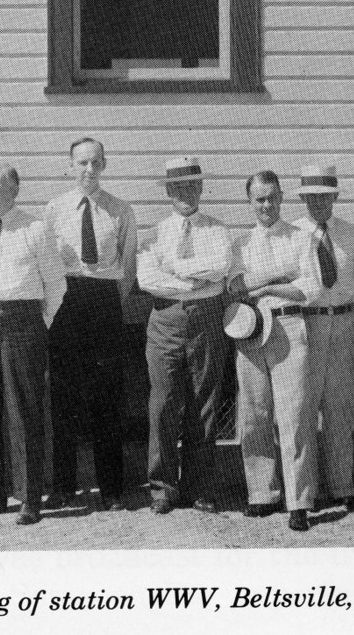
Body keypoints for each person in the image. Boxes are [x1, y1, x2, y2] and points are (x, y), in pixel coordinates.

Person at [0, 165, 65, 526]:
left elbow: (56, 285)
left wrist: (38, 323)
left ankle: (29, 498)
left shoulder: (35, 229)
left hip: (23, 321)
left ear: (15, 191)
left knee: (24, 409)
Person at [41, 137, 136, 512]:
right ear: (70, 166)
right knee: (63, 397)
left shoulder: (120, 210)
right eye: (82, 162)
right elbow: (47, 263)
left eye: (96, 162)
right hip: (65, 302)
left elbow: (128, 267)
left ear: (105, 165)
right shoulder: (55, 209)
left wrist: (109, 303)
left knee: (107, 397)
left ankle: (111, 488)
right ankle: (64, 485)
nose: (89, 169)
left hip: (104, 301)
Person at [136, 156, 232, 515]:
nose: (185, 193)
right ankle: (162, 488)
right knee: (162, 404)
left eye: (192, 185)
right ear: (167, 191)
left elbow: (220, 267)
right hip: (165, 320)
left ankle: (199, 487)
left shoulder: (217, 231)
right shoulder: (155, 233)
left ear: (201, 187)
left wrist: (175, 268)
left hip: (206, 319)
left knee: (204, 403)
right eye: (178, 187)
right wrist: (193, 282)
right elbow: (148, 279)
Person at [227, 170, 321, 532]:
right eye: (259, 199)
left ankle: (299, 502)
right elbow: (237, 287)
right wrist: (278, 277)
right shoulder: (240, 244)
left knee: (294, 414)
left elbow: (309, 288)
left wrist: (265, 286)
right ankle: (262, 494)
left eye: (272, 197)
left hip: (288, 326)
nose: (266, 205)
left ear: (281, 197)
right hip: (250, 328)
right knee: (254, 413)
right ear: (249, 202)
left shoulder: (301, 238)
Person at [292, 164, 354, 514]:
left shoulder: (350, 234)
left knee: (340, 409)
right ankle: (305, 494)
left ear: (335, 196)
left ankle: (342, 487)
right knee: (304, 410)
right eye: (311, 196)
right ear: (303, 199)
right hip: (306, 325)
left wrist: (345, 315)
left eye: (324, 196)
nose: (318, 202)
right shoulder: (292, 233)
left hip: (343, 323)